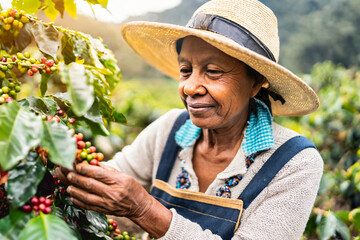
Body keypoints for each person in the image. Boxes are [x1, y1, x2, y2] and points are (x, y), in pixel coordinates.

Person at [55, 0, 324, 239]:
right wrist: (59, 169)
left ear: (256, 83)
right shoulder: (169, 129)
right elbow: (107, 192)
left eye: (213, 71)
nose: (191, 87)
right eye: (186, 70)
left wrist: (144, 208)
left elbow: (137, 207)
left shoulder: (294, 162)